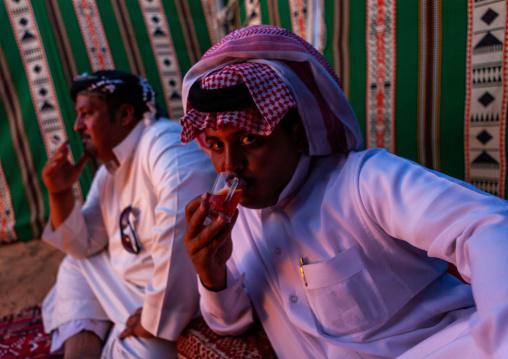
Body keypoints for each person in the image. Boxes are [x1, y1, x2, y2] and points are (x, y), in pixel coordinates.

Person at [180, 25, 508, 358]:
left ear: (297, 134)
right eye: (217, 145)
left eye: (250, 139)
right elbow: (230, 323)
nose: (229, 165)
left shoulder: (363, 181)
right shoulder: (239, 222)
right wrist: (213, 274)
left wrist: (499, 340)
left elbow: (488, 225)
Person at [41, 70, 216, 358]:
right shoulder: (109, 171)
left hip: (178, 297)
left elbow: (181, 233)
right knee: (76, 265)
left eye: (87, 113)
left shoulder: (165, 143)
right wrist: (59, 193)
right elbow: (83, 246)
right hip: (131, 288)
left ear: (124, 115)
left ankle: (105, 336)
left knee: (146, 353)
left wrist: (153, 318)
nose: (76, 126)